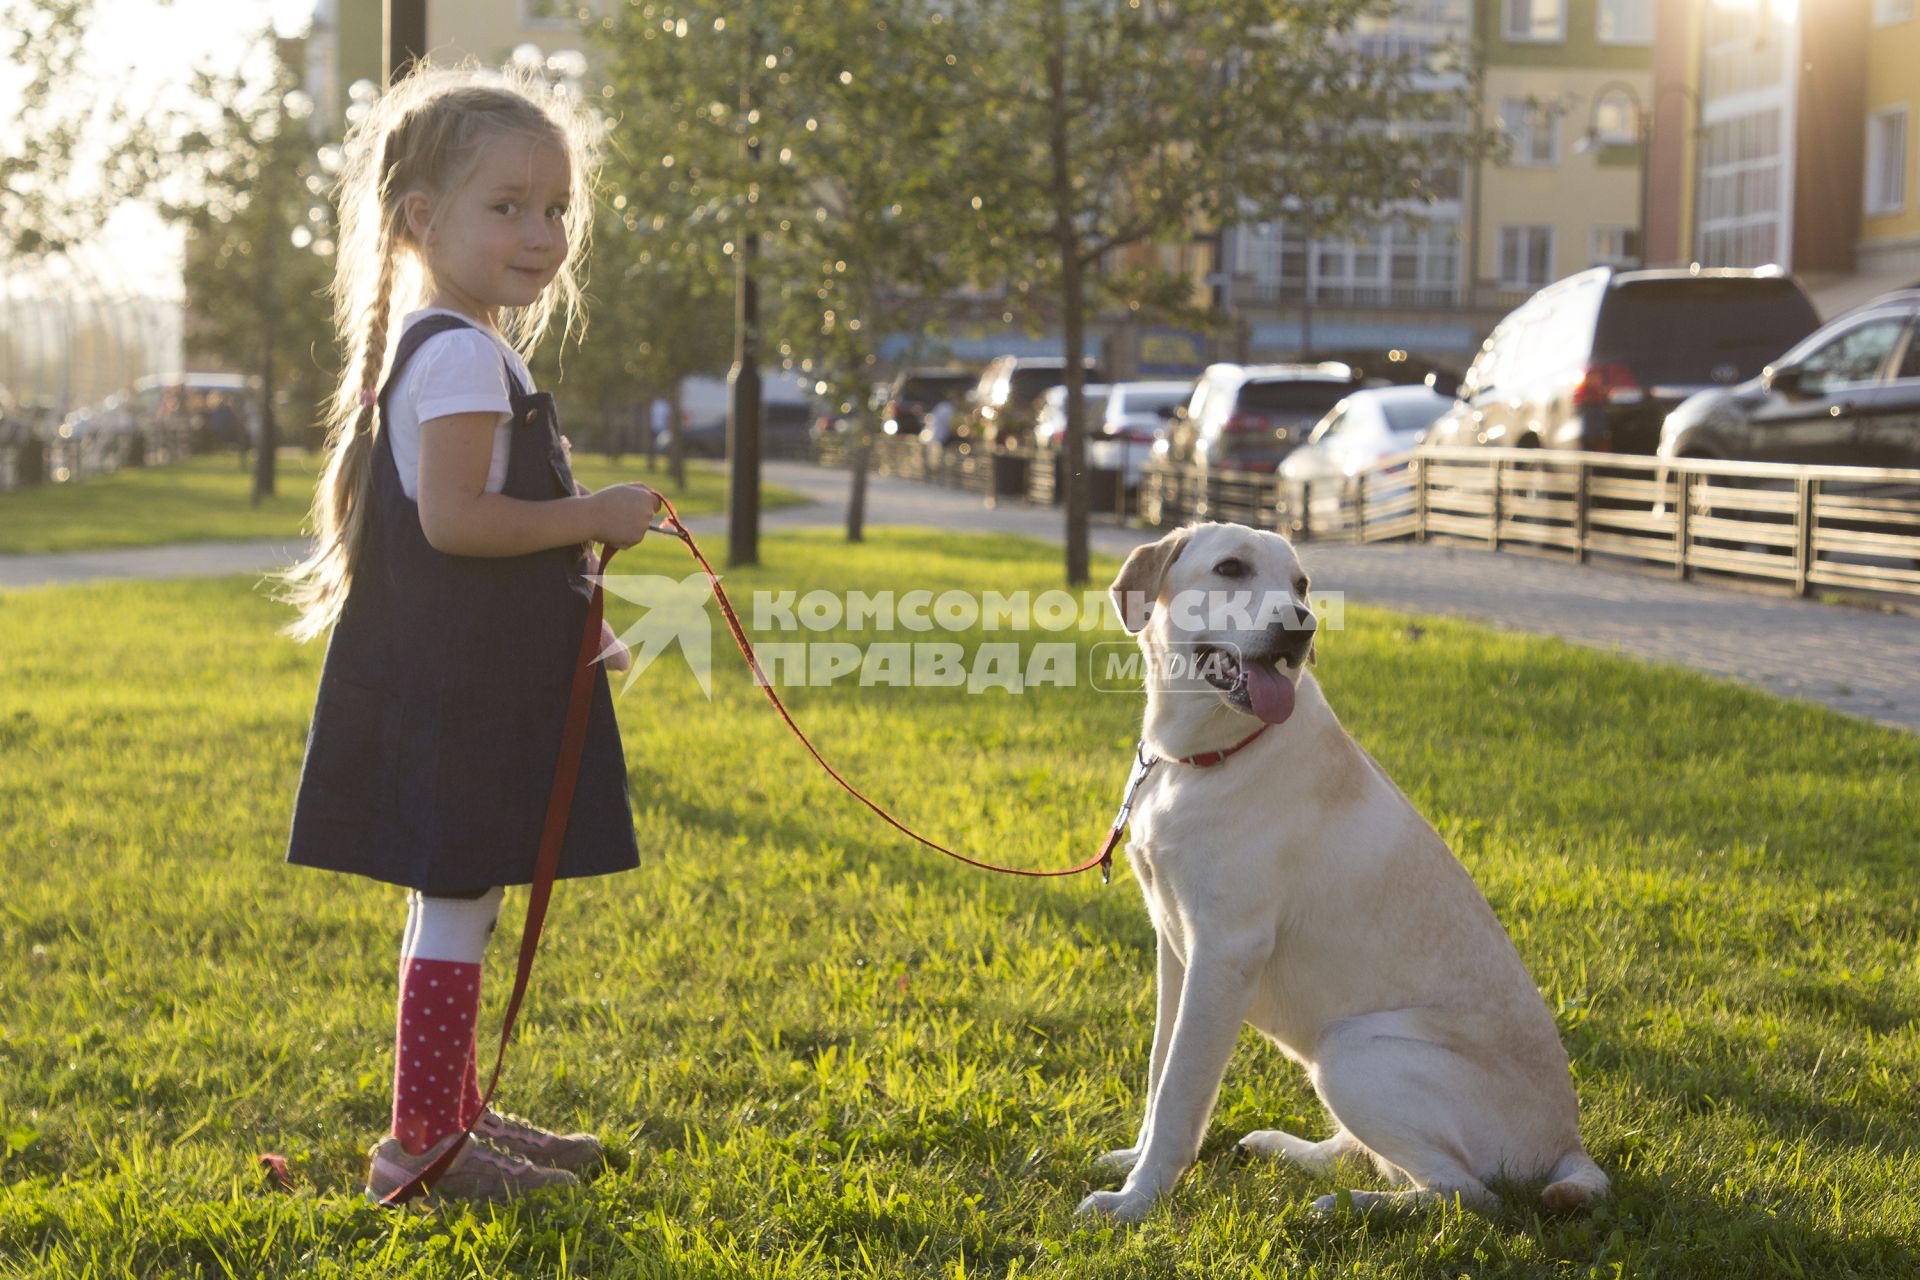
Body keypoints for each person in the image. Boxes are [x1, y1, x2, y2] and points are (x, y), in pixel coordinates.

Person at [275, 62, 661, 1205]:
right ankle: (421, 1145)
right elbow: (458, 521)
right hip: (455, 696)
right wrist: (596, 516)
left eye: (557, 210)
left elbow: (487, 545)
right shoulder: (454, 351)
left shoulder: (466, 341)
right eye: (509, 207)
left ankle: (448, 1114)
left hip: (472, 677)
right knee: (454, 897)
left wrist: (574, 629)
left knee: (463, 897)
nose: (542, 233)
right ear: (420, 219)